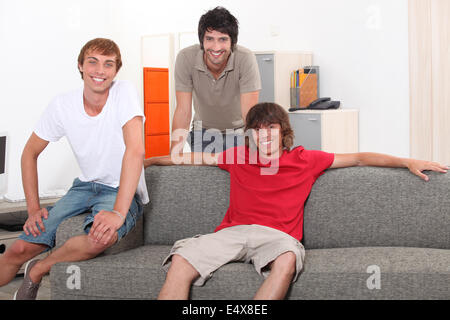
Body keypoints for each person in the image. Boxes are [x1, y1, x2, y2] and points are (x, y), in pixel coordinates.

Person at [144, 102, 448, 300]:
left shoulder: (304, 159)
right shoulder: (237, 157)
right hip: (232, 233)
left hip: (278, 237)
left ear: (283, 131)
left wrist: (406, 161)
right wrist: (144, 162)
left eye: (271, 128)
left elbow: (358, 157)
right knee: (182, 260)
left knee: (287, 260)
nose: (265, 135)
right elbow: (188, 158)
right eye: (258, 129)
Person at [0, 38, 149, 300]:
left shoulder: (123, 92)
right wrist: (34, 209)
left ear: (116, 71)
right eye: (92, 62)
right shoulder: (62, 104)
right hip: (83, 187)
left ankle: (38, 270)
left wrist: (117, 211)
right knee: (18, 249)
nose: (100, 70)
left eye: (108, 64)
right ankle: (29, 261)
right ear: (80, 66)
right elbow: (29, 153)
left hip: (117, 189)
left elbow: (135, 150)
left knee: (99, 238)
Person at [171, 6, 261, 154]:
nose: (216, 47)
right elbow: (183, 111)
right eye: (209, 39)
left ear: (232, 42)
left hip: (238, 133)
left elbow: (249, 114)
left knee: (237, 175)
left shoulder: (245, 58)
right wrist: (175, 155)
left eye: (223, 39)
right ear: (202, 41)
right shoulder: (186, 58)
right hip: (203, 133)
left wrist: (255, 149)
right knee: (203, 177)